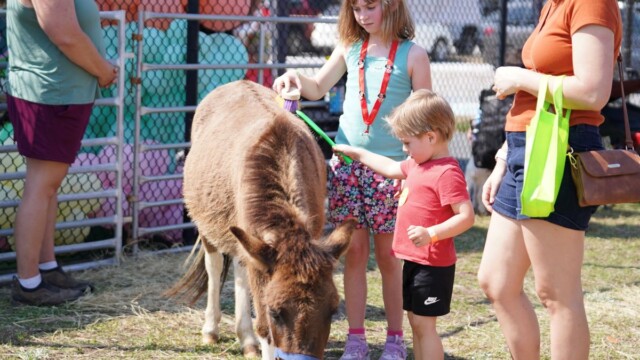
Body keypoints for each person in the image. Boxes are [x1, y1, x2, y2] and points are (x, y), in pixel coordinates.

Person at [273, 0, 431, 358]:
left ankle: (395, 340)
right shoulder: (349, 47)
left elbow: (425, 116)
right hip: (345, 167)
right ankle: (356, 339)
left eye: (370, 7)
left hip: (390, 170)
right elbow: (316, 87)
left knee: (391, 258)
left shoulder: (414, 55)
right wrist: (295, 80)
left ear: (390, 5)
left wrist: (413, 168)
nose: (362, 15)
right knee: (354, 253)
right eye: (356, 9)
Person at [477, 0, 622, 358]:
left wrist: (518, 77)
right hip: (525, 148)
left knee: (557, 292)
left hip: (557, 149)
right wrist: (502, 159)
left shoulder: (591, 3)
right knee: (497, 281)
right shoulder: (554, 5)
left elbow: (592, 92)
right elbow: (532, 105)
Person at [334, 89, 475, 359]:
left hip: (433, 265)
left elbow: (466, 216)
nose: (404, 150)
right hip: (414, 260)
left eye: (408, 143)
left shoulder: (447, 172)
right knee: (416, 323)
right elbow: (389, 167)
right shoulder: (416, 164)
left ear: (431, 137)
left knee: (424, 326)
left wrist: (432, 233)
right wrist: (358, 153)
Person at [7, 0, 117, 306]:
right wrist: (103, 70)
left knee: (47, 188)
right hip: (51, 94)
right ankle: (28, 283)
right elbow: (64, 32)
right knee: (41, 187)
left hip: (56, 93)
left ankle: (46, 268)